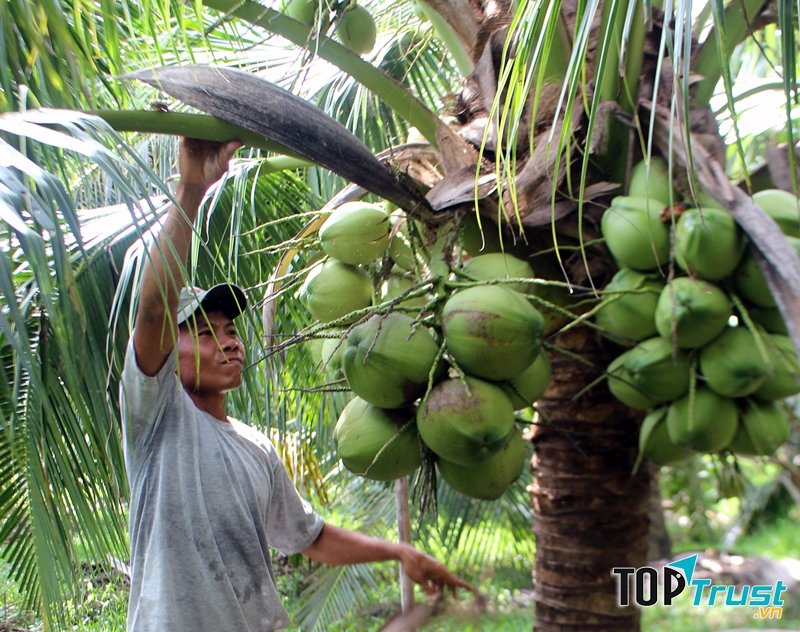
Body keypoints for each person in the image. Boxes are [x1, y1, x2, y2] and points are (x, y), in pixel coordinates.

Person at [119, 138, 471, 631]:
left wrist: (399, 552)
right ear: (166, 355)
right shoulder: (155, 415)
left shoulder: (256, 449)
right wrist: (192, 189)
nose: (229, 342)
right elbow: (156, 306)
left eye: (230, 330)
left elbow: (310, 537)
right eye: (204, 333)